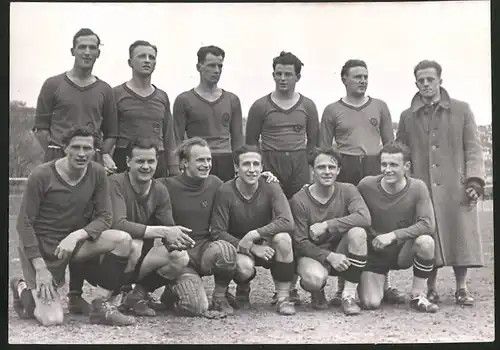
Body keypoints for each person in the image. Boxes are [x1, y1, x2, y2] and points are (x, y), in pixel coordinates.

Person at [10, 126, 135, 326]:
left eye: (87, 148)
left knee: (123, 240)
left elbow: (105, 216)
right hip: (43, 248)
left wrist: (77, 235)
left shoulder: (97, 173)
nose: (82, 153)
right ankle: (22, 287)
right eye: (76, 147)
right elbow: (24, 223)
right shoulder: (41, 175)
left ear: (95, 151)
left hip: (72, 244)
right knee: (52, 319)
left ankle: (99, 305)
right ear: (64, 147)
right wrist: (40, 267)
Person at [32, 28, 119, 314]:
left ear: (98, 52)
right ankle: (37, 281)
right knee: (54, 224)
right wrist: (58, 153)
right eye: (81, 47)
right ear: (72, 51)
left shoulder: (105, 89)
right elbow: (41, 128)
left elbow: (111, 133)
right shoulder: (53, 84)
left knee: (84, 228)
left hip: (89, 165)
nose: (86, 52)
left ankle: (75, 293)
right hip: (59, 163)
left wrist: (99, 156)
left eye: (92, 47)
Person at [396, 60, 485, 306]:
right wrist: (405, 184)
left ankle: (462, 288)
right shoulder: (407, 116)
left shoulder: (462, 110)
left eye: (430, 79)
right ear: (416, 83)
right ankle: (431, 288)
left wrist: (475, 180)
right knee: (428, 235)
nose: (426, 84)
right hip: (422, 188)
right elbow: (401, 153)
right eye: (421, 80)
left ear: (440, 81)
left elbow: (474, 149)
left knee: (461, 235)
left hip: (456, 187)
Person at [319, 59, 398, 305]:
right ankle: (342, 286)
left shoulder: (380, 106)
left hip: (374, 166)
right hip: (347, 167)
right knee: (349, 223)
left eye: (365, 76)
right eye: (357, 77)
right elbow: (324, 149)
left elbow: (390, 146)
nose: (362, 81)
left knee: (379, 223)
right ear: (344, 79)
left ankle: (385, 284)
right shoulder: (332, 110)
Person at [245, 51, 320, 302]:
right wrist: (263, 170)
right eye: (279, 73)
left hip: (298, 166)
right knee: (273, 223)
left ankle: (296, 285)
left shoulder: (307, 106)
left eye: (288, 74)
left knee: (299, 223)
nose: (283, 78)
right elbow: (250, 144)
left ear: (298, 76)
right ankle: (252, 286)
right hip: (271, 166)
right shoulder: (260, 106)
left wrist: (308, 175)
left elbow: (314, 146)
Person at [107, 138, 195, 317]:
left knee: (179, 257)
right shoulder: (115, 183)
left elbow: (168, 228)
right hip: (109, 256)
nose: (146, 166)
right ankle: (112, 297)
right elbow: (118, 223)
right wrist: (163, 231)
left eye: (151, 161)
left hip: (140, 258)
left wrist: (179, 240)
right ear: (128, 162)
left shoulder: (160, 189)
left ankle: (137, 295)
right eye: (140, 161)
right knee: (133, 244)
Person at [210, 144, 296, 316]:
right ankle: (243, 288)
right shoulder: (226, 190)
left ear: (262, 167)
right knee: (244, 267)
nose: (251, 169)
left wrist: (255, 235)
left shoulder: (271, 185)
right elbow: (217, 231)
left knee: (284, 239)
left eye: (256, 164)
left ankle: (283, 298)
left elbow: (287, 221)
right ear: (236, 168)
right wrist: (251, 246)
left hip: (265, 241)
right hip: (239, 245)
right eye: (246, 164)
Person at [357, 141, 439, 313]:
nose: (388, 169)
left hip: (402, 250)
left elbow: (427, 224)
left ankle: (417, 295)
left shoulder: (418, 187)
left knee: (426, 242)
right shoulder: (366, 185)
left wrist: (393, 235)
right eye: (384, 164)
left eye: (394, 165)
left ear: (406, 166)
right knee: (370, 303)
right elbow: (351, 209)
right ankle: (384, 289)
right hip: (376, 251)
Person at [290, 147, 370, 316]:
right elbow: (300, 242)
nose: (327, 172)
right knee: (314, 279)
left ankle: (347, 296)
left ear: (338, 170)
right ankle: (317, 292)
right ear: (312, 171)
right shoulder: (299, 199)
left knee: (358, 233)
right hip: (314, 254)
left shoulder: (348, 190)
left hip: (341, 251)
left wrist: (327, 224)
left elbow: (364, 217)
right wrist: (329, 256)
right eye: (321, 167)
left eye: (332, 167)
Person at [173, 46, 244, 182]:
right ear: (199, 67)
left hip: (225, 160)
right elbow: (177, 138)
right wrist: (178, 166)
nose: (216, 70)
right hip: (197, 159)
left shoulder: (232, 100)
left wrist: (239, 165)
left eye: (219, 66)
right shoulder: (184, 100)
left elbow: (238, 139)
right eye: (211, 65)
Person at [113, 40, 179, 178]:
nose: (147, 61)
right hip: (125, 158)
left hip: (157, 159)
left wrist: (174, 167)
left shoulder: (162, 96)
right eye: (142, 56)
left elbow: (169, 135)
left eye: (152, 57)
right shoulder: (116, 94)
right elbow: (109, 132)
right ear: (130, 62)